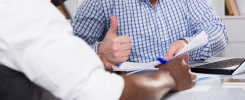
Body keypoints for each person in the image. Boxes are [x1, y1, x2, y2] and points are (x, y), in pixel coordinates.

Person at [0, 0, 196, 100]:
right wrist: (170, 77)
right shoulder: (25, 10)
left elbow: (62, 53)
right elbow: (104, 94)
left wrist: (94, 57)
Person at [71, 0, 229, 65]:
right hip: (131, 90)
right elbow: (67, 51)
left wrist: (187, 45)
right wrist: (100, 52)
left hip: (188, 85)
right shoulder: (100, 2)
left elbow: (219, 33)